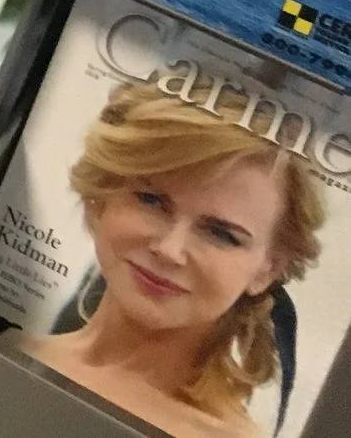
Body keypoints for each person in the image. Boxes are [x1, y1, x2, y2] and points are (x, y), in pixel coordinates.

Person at [25, 83, 324, 438]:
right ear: (104, 192)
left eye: (221, 234)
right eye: (151, 201)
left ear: (268, 269)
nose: (169, 249)